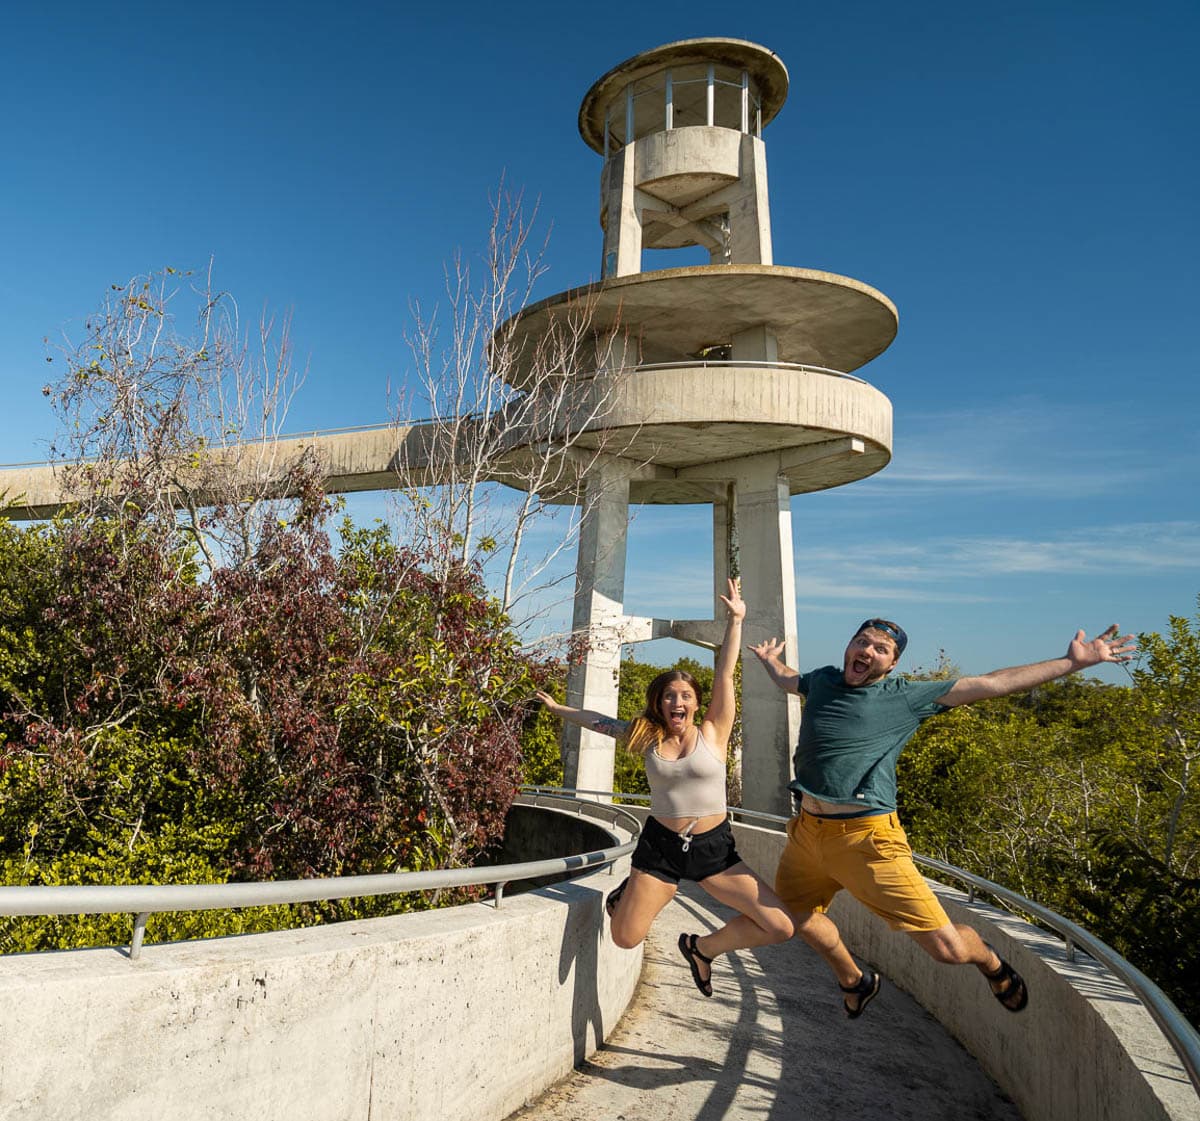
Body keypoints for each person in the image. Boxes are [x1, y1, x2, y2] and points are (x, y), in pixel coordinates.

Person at [749, 618, 1136, 1018]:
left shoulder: (905, 698)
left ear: (893, 665)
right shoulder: (824, 681)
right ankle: (855, 980)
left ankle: (990, 962)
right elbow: (789, 681)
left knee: (947, 950)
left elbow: (991, 683)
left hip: (867, 839)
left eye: (880, 649)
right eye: (861, 642)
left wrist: (1069, 663)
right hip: (807, 832)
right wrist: (768, 662)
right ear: (849, 646)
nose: (866, 651)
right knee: (792, 916)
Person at [536, 579, 794, 997]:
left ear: (696, 703)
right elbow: (597, 720)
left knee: (780, 925)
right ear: (659, 703)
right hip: (661, 849)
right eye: (670, 695)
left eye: (686, 695)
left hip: (714, 850)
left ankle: (702, 949)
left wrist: (736, 619)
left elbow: (725, 670)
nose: (678, 701)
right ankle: (624, 896)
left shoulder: (714, 731)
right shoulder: (645, 737)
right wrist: (557, 708)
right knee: (625, 938)